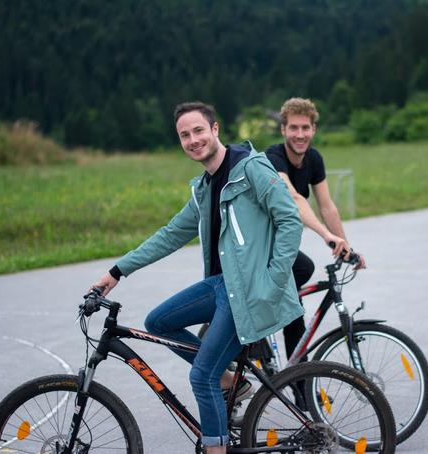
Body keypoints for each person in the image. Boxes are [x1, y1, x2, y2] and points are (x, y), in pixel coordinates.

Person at [91, 101, 303, 453]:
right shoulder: (204, 188)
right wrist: (117, 271)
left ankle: (215, 446)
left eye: (198, 131)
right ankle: (230, 379)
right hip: (222, 287)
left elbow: (290, 221)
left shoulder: (251, 169)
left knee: (200, 377)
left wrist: (272, 281)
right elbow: (170, 234)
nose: (193, 140)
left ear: (215, 129)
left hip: (248, 293)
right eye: (184, 135)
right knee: (158, 322)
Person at [265, 97, 366, 363]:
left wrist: (345, 246)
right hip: (258, 244)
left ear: (313, 130)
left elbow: (327, 206)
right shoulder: (272, 158)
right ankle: (262, 321)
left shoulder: (313, 159)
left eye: (305, 128)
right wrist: (326, 236)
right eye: (294, 128)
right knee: (302, 274)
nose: (300, 135)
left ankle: (299, 387)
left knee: (294, 308)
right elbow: (294, 199)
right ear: (283, 130)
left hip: (279, 246)